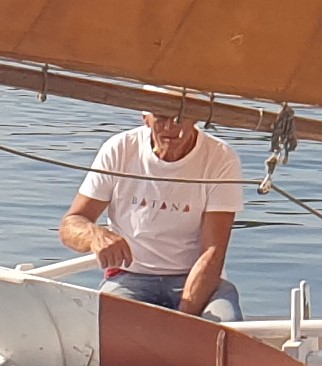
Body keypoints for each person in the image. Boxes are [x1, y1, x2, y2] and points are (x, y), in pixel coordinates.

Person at [60, 102, 245, 316]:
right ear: (145, 118)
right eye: (161, 117)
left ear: (196, 118)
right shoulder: (120, 148)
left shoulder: (221, 157)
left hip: (195, 277)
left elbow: (213, 253)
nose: (170, 128)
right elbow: (71, 223)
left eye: (180, 118)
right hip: (130, 276)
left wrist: (183, 318)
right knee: (110, 329)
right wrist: (95, 235)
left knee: (225, 327)